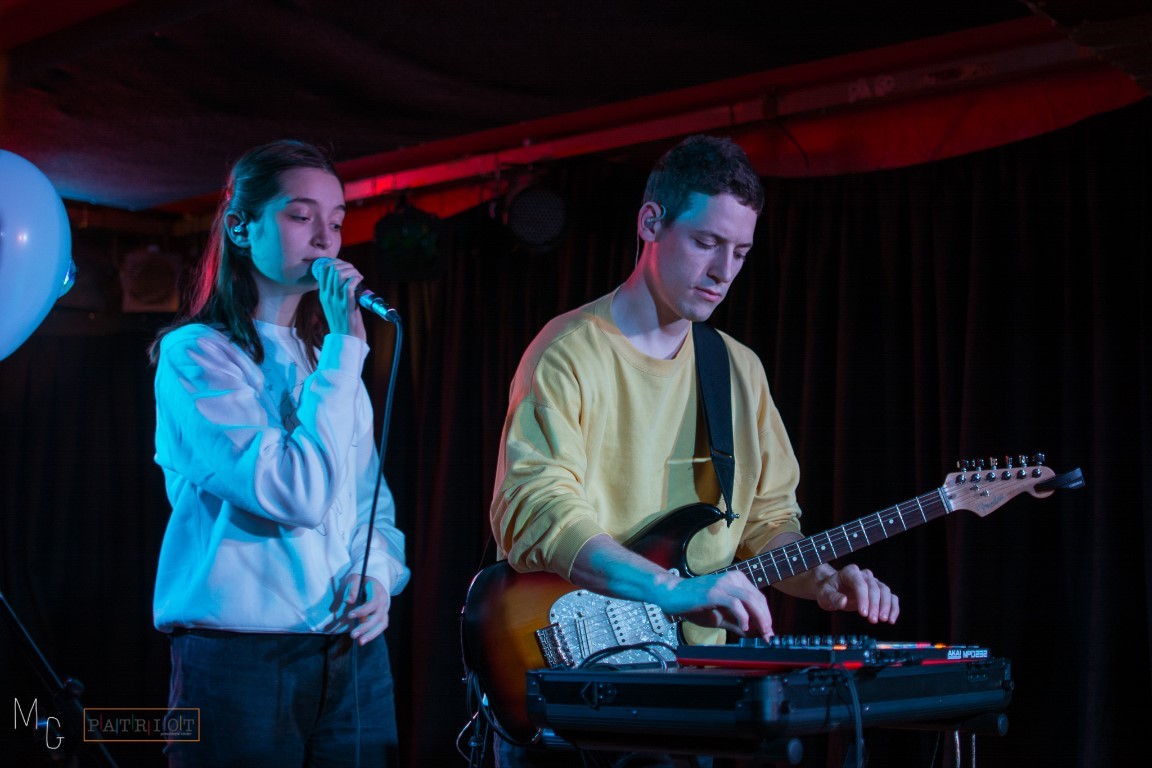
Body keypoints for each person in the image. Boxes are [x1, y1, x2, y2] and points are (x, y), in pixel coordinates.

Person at [487, 135, 899, 766]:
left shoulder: (739, 370)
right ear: (651, 222)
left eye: (741, 252)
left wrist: (822, 581)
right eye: (707, 242)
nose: (723, 272)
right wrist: (670, 588)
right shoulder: (569, 351)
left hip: (691, 686)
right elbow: (537, 510)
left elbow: (765, 525)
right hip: (574, 671)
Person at [148, 139, 409, 767]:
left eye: (337, 222)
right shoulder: (198, 356)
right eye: (300, 216)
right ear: (241, 227)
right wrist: (346, 352)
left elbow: (367, 500)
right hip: (241, 657)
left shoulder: (327, 359)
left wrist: (376, 574)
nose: (325, 239)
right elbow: (294, 493)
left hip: (350, 652)